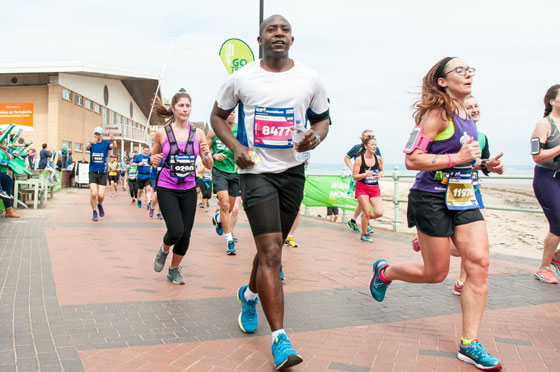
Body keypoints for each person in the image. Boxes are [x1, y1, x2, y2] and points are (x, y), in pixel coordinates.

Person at [210, 14, 330, 370]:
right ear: (260, 39)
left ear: (293, 39)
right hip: (256, 171)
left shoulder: (310, 78)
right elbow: (217, 117)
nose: (279, 34)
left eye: (285, 30)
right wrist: (235, 148)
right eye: (271, 30)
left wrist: (316, 136)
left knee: (270, 249)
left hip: (293, 172)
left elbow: (323, 120)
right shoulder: (242, 78)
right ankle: (280, 339)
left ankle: (249, 296)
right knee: (272, 251)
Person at [368, 57, 504, 371]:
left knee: (480, 263)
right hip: (430, 198)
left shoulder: (468, 114)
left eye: (471, 70)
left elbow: (462, 159)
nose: (468, 74)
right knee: (436, 273)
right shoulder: (436, 114)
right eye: (460, 70)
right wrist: (458, 156)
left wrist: (483, 165)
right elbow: (412, 160)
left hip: (464, 197)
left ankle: (469, 343)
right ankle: (386, 272)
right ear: (442, 81)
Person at [151, 92, 213, 285]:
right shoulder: (162, 133)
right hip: (166, 186)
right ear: (174, 108)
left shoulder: (198, 134)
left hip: (188, 187)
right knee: (176, 230)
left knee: (186, 234)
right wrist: (152, 160)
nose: (185, 109)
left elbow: (208, 165)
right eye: (181, 106)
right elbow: (154, 159)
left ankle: (174, 269)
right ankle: (163, 249)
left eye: (188, 105)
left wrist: (207, 155)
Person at [531, 84, 560, 284]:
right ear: (552, 101)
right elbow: (536, 156)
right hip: (547, 178)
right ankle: (544, 268)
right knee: (558, 223)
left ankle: (556, 256)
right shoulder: (545, 124)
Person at [207, 109, 241, 255]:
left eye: (234, 112)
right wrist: (214, 154)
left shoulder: (241, 130)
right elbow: (205, 150)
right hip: (219, 171)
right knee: (225, 203)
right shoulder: (214, 131)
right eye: (229, 112)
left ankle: (218, 218)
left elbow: (248, 148)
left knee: (231, 207)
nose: (232, 114)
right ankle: (229, 241)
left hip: (235, 172)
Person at [344, 130, 381, 233]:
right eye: (369, 135)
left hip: (371, 180)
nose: (371, 137)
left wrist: (380, 173)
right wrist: (352, 168)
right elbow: (346, 158)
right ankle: (366, 222)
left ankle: (355, 220)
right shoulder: (357, 148)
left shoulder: (375, 148)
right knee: (364, 201)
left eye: (373, 135)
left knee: (363, 202)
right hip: (360, 178)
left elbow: (379, 162)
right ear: (363, 137)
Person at [352, 136, 383, 242]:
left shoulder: (378, 159)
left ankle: (364, 218)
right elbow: (355, 176)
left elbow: (381, 170)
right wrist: (365, 174)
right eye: (372, 145)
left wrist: (380, 175)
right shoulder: (359, 160)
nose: (375, 147)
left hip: (374, 188)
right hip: (362, 188)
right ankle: (364, 234)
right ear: (366, 146)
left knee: (379, 213)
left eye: (376, 145)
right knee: (367, 211)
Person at [86, 127, 116, 221]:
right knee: (94, 193)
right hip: (93, 171)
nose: (97, 136)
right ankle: (94, 212)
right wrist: (91, 143)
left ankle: (99, 205)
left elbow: (114, 146)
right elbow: (87, 147)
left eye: (98, 134)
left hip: (102, 172)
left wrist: (113, 140)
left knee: (101, 195)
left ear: (102, 135)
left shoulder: (106, 144)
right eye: (95, 134)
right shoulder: (92, 144)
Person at [0, 139, 19, 217]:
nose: (7, 144)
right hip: (4, 172)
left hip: (9, 173)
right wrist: (8, 163)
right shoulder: (1, 151)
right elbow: (0, 161)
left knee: (7, 192)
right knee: (6, 192)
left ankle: (9, 211)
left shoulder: (6, 151)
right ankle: (9, 211)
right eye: (5, 143)